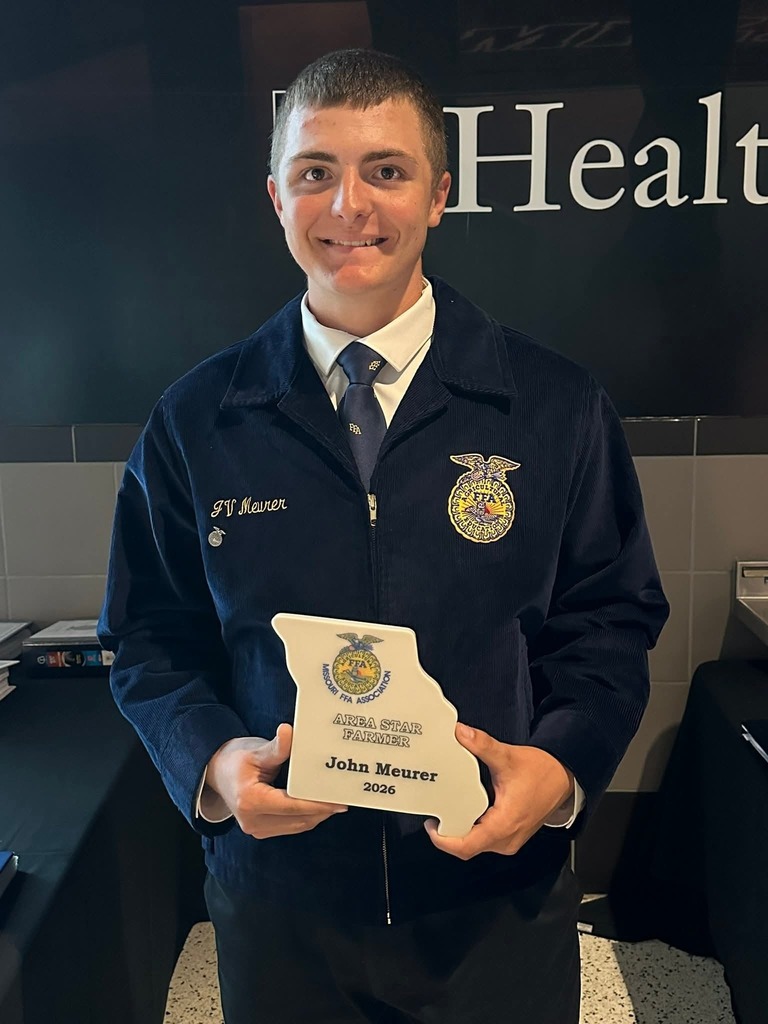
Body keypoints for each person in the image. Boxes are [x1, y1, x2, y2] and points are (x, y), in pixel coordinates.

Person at [98, 48, 669, 1024]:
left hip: (495, 898)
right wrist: (214, 764)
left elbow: (611, 621)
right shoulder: (197, 420)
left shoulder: (554, 407)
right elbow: (148, 638)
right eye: (316, 171)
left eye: (387, 171)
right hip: (282, 905)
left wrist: (564, 764)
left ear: (440, 194)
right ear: (275, 194)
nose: (349, 206)